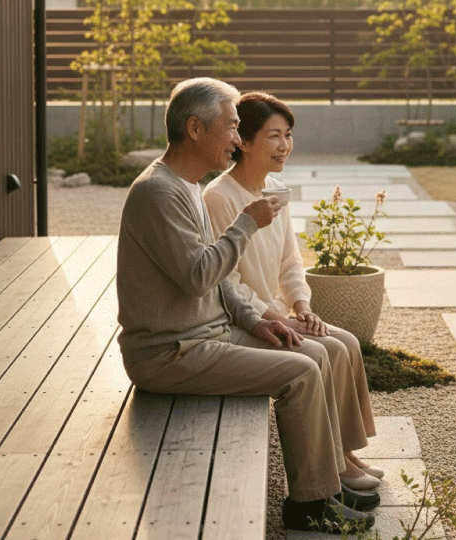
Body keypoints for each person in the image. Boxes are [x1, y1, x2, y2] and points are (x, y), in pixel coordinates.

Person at [115, 77, 377, 534]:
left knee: (315, 352)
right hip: (169, 352)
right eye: (232, 127)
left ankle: (328, 480)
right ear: (195, 129)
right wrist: (245, 224)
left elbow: (218, 284)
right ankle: (311, 504)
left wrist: (257, 321)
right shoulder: (159, 192)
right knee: (302, 370)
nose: (237, 139)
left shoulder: (186, 186)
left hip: (205, 334)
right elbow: (198, 275)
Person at [203, 91, 383, 492]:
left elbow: (290, 261)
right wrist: (275, 317)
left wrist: (302, 306)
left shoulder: (276, 189)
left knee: (348, 342)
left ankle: (345, 453)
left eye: (288, 135)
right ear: (243, 142)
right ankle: (333, 461)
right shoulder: (219, 197)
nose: (284, 145)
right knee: (329, 350)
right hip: (248, 321)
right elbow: (225, 282)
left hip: (283, 312)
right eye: (273, 136)